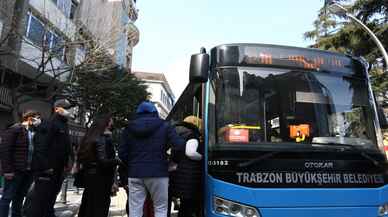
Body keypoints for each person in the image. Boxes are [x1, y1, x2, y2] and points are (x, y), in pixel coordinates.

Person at [119, 101, 186, 217]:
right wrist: (173, 162)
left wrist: (132, 163)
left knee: (135, 209)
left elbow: (122, 153)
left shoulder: (129, 128)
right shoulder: (165, 126)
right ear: (155, 112)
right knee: (160, 208)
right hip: (159, 172)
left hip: (135, 173)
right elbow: (180, 145)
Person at [26, 99, 73, 217]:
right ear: (57, 109)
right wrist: (46, 167)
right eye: (66, 108)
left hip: (58, 169)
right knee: (40, 200)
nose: (69, 110)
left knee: (50, 199)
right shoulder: (49, 123)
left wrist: (68, 164)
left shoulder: (64, 124)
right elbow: (40, 147)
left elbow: (65, 147)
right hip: (47, 170)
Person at [0, 110, 43, 217]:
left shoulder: (34, 132)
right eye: (37, 118)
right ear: (29, 118)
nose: (39, 121)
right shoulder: (15, 129)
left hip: (27, 171)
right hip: (14, 171)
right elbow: (5, 151)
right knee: (7, 197)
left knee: (19, 197)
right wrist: (8, 170)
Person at [77, 114, 121, 217]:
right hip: (101, 178)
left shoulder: (88, 137)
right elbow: (103, 161)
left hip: (89, 176)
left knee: (88, 205)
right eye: (110, 121)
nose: (112, 123)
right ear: (105, 124)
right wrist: (117, 160)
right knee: (99, 206)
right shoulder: (103, 138)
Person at [169, 116, 204, 217]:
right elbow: (190, 152)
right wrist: (202, 158)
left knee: (184, 205)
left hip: (180, 173)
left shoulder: (177, 133)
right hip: (189, 176)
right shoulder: (192, 135)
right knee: (188, 205)